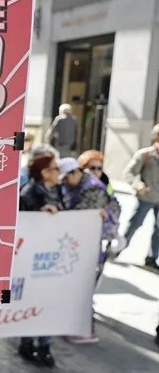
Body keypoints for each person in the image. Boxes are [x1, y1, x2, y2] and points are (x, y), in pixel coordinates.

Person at [58, 157, 117, 344]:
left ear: (75, 172)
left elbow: (80, 218)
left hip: (92, 246)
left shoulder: (93, 188)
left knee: (84, 287)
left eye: (66, 178)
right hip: (83, 245)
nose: (64, 183)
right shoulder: (78, 185)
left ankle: (85, 330)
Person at [18, 154, 64, 367]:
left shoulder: (57, 190)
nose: (59, 172)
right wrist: (40, 214)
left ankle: (44, 345)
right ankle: (28, 343)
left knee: (49, 300)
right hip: (33, 260)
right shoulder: (28, 194)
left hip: (51, 258)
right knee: (34, 298)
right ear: (45, 172)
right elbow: (23, 225)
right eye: (55, 168)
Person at [120, 123, 159, 272]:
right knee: (135, 224)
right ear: (156, 138)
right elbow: (128, 173)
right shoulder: (145, 155)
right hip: (145, 198)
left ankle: (151, 258)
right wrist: (138, 185)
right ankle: (119, 248)